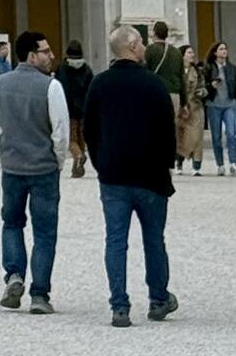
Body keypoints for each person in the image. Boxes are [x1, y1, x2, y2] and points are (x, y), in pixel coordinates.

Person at [83, 22, 179, 327]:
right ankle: (158, 299)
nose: (143, 48)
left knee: (115, 241)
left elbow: (89, 129)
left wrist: (100, 162)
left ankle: (120, 306)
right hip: (151, 175)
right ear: (134, 46)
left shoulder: (100, 84)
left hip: (113, 174)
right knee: (154, 240)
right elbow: (167, 131)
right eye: (141, 44)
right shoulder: (154, 84)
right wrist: (167, 165)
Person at [0, 29, 69, 314]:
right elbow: (60, 131)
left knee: (12, 222)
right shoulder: (51, 87)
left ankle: (14, 275)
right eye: (45, 51)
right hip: (43, 168)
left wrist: (2, 153)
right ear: (32, 56)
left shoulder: (0, 84)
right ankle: (39, 294)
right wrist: (58, 160)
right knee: (44, 232)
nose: (51, 55)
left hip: (12, 168)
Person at [55, 41, 93, 178]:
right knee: (81, 138)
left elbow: (58, 88)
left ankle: (78, 156)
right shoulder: (87, 70)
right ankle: (76, 168)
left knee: (70, 138)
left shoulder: (62, 69)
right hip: (83, 109)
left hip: (68, 109)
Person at [204, 40, 236, 175]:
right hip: (214, 105)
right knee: (216, 136)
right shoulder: (208, 68)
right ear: (215, 53)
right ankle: (220, 164)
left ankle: (233, 163)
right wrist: (211, 85)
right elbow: (202, 85)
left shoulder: (232, 69)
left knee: (231, 134)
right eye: (221, 49)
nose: (224, 51)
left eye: (225, 49)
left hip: (230, 105)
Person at [175, 46, 207, 175]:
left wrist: (202, 92)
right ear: (182, 55)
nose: (192, 54)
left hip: (195, 107)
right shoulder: (176, 71)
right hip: (180, 108)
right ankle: (179, 163)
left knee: (197, 137)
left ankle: (196, 166)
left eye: (192, 52)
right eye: (189, 52)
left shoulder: (198, 71)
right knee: (180, 136)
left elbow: (203, 87)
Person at [145, 21, 184, 104]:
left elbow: (145, 73)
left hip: (156, 92)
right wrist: (184, 102)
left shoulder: (150, 50)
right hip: (174, 93)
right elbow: (181, 77)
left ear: (154, 33)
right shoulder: (177, 52)